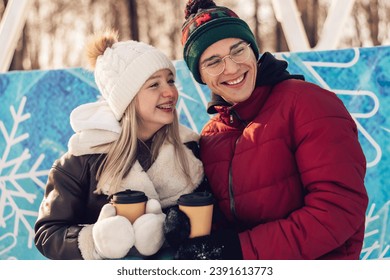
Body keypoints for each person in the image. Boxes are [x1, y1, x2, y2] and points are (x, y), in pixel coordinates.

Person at [164, 0, 368, 260]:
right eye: (213, 62)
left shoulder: (306, 103)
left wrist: (241, 251)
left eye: (238, 50)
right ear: (202, 77)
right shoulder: (211, 137)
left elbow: (338, 211)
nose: (232, 67)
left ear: (254, 51)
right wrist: (189, 222)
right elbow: (230, 221)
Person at [34, 29, 204, 260]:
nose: (169, 92)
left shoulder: (192, 150)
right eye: (154, 85)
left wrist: (177, 227)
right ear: (128, 99)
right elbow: (48, 233)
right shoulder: (82, 160)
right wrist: (97, 241)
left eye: (170, 80)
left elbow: (214, 219)